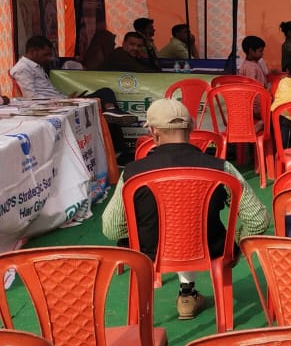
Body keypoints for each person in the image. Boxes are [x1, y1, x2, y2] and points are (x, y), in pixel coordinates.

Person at [100, 98, 270, 319]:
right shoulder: (222, 168)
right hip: (211, 248)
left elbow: (111, 229)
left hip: (150, 251)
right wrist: (235, 242)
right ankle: (187, 294)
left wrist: (140, 232)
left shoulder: (132, 173)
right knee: (190, 229)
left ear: (154, 132)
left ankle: (178, 298)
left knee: (170, 230)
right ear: (191, 128)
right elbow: (258, 220)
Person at [10, 35, 132, 159]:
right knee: (104, 95)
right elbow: (31, 97)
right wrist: (61, 101)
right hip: (56, 106)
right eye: (46, 54)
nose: (49, 58)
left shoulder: (35, 66)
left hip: (62, 101)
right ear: (33, 51)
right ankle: (118, 145)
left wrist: (66, 99)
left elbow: (46, 92)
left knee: (105, 100)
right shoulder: (22, 69)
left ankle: (115, 125)